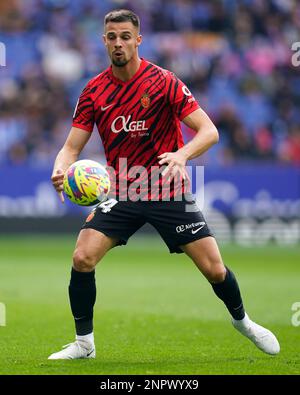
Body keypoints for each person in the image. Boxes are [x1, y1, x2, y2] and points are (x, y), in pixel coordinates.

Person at [48, 9, 280, 360]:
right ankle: (84, 344)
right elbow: (70, 147)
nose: (118, 43)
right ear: (104, 41)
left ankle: (243, 322)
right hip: (124, 190)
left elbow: (209, 131)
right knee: (82, 257)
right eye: (112, 37)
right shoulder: (94, 90)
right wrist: (60, 169)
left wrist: (182, 155)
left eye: (125, 36)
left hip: (167, 190)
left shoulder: (164, 81)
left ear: (138, 40)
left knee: (214, 269)